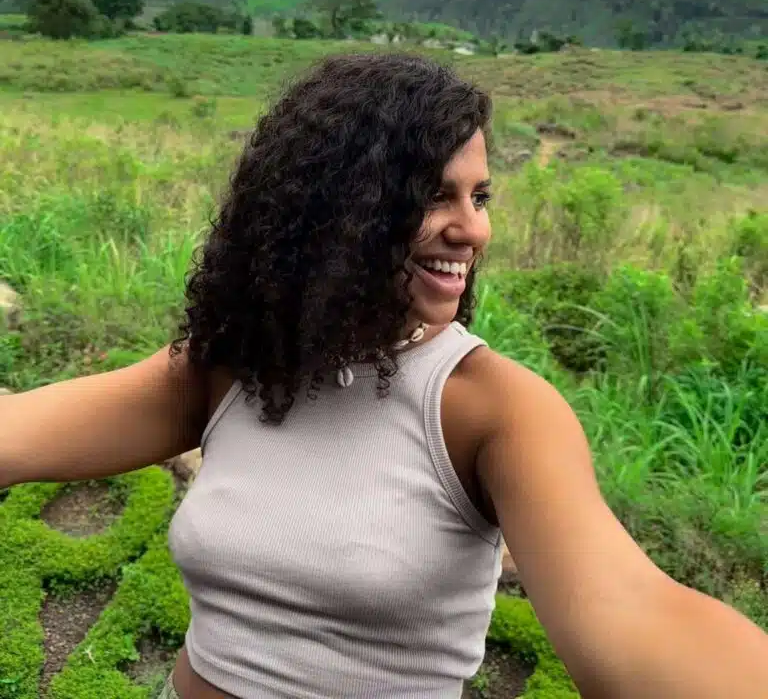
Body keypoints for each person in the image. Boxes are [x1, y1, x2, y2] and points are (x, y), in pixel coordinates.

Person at [1, 52, 767, 699]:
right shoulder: (240, 364)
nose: (475, 228)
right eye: (435, 195)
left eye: (480, 196)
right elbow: (18, 435)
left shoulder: (489, 408)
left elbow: (634, 616)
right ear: (335, 210)